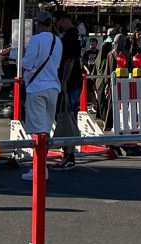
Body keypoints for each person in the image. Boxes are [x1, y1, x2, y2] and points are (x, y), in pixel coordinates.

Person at [20, 10, 63, 181]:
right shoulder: (57, 41)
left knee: (38, 131)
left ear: (38, 23)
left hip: (37, 87)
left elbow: (28, 63)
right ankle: (41, 165)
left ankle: (39, 169)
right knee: (46, 128)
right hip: (53, 86)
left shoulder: (36, 40)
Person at [54, 10, 83, 170]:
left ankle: (69, 155)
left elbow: (69, 60)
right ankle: (68, 154)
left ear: (64, 20)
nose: (57, 26)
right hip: (75, 81)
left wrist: (64, 80)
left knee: (66, 118)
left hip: (70, 82)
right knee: (69, 117)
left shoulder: (70, 36)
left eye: (58, 22)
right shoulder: (77, 34)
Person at [83, 38, 99, 109]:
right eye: (91, 43)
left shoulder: (99, 52)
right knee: (91, 89)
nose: (92, 44)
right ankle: (94, 103)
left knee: (96, 88)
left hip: (97, 73)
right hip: (89, 73)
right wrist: (87, 70)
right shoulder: (87, 53)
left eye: (94, 43)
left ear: (96, 44)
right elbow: (83, 63)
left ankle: (96, 103)